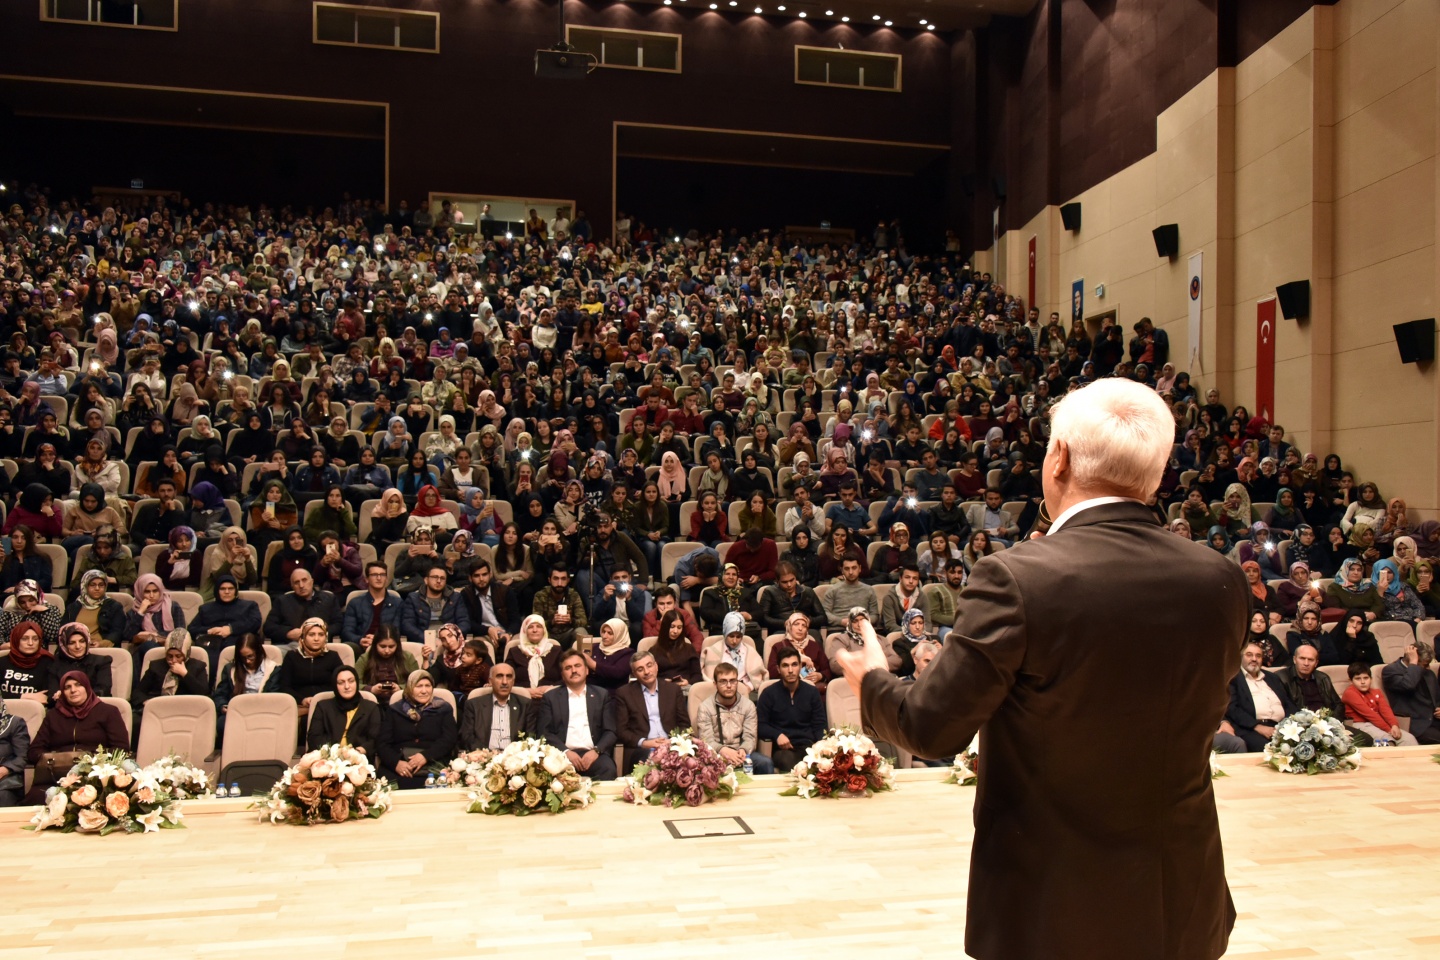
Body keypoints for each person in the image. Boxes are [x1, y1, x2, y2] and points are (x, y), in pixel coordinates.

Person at [832, 379, 1245, 959]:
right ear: (1155, 475)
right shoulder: (1220, 580)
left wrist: (872, 678)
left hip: (1052, 905)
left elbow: (930, 728)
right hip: (1180, 894)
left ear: (1059, 459)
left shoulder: (1017, 578)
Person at [23, 671, 128, 803]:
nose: (73, 690)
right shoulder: (53, 715)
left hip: (94, 775)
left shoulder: (108, 712)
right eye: (67, 687)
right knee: (36, 797)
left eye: (78, 685)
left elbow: (121, 749)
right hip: (56, 775)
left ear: (87, 687)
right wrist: (54, 758)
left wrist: (90, 758)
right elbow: (34, 751)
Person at [535, 649, 619, 780]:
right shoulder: (550, 697)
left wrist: (596, 751)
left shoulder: (601, 695)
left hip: (593, 753)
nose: (574, 670)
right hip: (561, 755)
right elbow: (544, 732)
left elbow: (611, 731)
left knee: (608, 770)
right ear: (562, 675)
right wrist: (565, 752)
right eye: (568, 668)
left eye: (578, 666)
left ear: (586, 670)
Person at [613, 649, 690, 773]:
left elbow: (685, 725)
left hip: (671, 744)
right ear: (634, 674)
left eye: (649, 666)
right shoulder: (624, 693)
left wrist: (672, 741)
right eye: (640, 669)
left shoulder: (673, 690)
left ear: (656, 666)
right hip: (642, 749)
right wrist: (645, 743)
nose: (646, 672)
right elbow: (622, 731)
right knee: (650, 762)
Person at [378, 669, 458, 789]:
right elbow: (382, 743)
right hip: (400, 764)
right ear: (410, 688)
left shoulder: (443, 708)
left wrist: (425, 756)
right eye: (419, 686)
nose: (424, 691)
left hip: (433, 761)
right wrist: (396, 763)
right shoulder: (395, 710)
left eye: (428, 686)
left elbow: (449, 739)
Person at [1276, 643, 1368, 744]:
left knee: (1366, 740)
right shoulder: (1281, 678)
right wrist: (1308, 725)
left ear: (1316, 663)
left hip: (1327, 726)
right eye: (1302, 658)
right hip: (1300, 728)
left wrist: (1331, 723)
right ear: (1294, 659)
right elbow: (1284, 709)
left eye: (1311, 660)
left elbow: (1338, 704)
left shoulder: (1322, 678)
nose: (1306, 663)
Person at [756, 645, 826, 773]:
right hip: (783, 750)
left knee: (824, 763)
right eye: (785, 666)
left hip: (808, 747)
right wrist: (776, 735)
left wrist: (821, 746)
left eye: (794, 665)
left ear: (800, 666)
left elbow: (819, 725)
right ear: (778, 669)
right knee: (787, 760)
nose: (790, 670)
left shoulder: (812, 692)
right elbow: (760, 724)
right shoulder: (769, 693)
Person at [695, 661, 774, 774]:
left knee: (765, 763)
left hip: (742, 753)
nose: (728, 685)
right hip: (716, 754)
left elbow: (750, 737)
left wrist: (743, 750)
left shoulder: (748, 705)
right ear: (715, 684)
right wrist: (723, 750)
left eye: (732, 681)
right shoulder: (705, 707)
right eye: (723, 681)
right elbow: (706, 740)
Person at [1224, 640, 1299, 752]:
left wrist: (1289, 725)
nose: (1254, 659)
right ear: (1240, 657)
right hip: (1251, 728)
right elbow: (1232, 709)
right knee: (1270, 749)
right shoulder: (1233, 678)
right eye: (1249, 655)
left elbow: (1287, 703)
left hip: (1281, 727)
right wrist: (1258, 727)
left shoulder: (1272, 677)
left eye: (1258, 656)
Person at [306, 665, 383, 757]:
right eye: (341, 682)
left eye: (351, 681)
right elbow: (314, 738)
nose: (347, 686)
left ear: (357, 683)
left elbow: (375, 739)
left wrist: (358, 752)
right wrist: (334, 755)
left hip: (359, 760)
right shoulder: (323, 707)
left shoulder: (371, 707)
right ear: (335, 685)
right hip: (326, 759)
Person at [213, 635, 281, 736]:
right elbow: (220, 694)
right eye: (243, 658)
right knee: (222, 724)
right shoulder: (230, 669)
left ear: (258, 652)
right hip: (236, 712)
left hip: (262, 712)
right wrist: (223, 707)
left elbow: (274, 697)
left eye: (250, 656)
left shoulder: (273, 669)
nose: (247, 661)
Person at [279, 618, 344, 723]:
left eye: (321, 635)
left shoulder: (333, 656)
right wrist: (302, 700)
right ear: (303, 636)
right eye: (311, 634)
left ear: (326, 636)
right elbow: (284, 687)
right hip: (299, 705)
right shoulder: (291, 656)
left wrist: (323, 698)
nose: (316, 639)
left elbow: (340, 683)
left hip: (328, 704)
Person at [1341, 662, 1416, 746]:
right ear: (1351, 681)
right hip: (1360, 725)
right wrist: (1388, 729)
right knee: (1387, 740)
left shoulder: (1376, 692)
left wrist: (1394, 725)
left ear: (1371, 679)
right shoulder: (1350, 693)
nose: (1362, 682)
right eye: (1358, 679)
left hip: (1379, 724)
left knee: (1409, 739)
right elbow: (1369, 714)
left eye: (1366, 678)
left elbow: (1386, 710)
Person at [458, 661, 527, 752]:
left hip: (515, 759)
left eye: (509, 677)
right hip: (483, 757)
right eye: (499, 676)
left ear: (513, 681)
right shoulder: (474, 704)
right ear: (490, 681)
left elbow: (530, 737)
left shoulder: (525, 704)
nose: (505, 682)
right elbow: (466, 736)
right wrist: (485, 754)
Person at [1380, 641, 1440, 745]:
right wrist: (1413, 663)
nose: (1426, 668)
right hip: (1416, 723)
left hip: (1434, 719)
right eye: (1424, 664)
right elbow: (1408, 685)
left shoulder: (1428, 673)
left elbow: (1437, 697)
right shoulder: (1390, 671)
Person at [398, 564, 471, 645]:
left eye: (442, 578)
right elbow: (407, 625)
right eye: (435, 577)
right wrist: (428, 640)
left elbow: (464, 623)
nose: (439, 581)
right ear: (426, 580)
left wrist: (450, 637)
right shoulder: (413, 598)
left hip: (450, 641)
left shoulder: (455, 597)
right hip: (423, 641)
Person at [136, 629, 210, 707]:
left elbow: (204, 694)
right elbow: (138, 692)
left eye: (178, 656)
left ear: (186, 654)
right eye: (170, 656)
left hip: (187, 708)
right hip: (159, 708)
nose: (173, 660)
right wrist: (146, 702)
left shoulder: (198, 666)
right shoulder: (156, 666)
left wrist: (184, 674)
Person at [340, 563, 404, 651]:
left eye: (382, 575)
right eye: (374, 575)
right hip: (362, 645)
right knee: (349, 647)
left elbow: (397, 630)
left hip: (387, 645)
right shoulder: (355, 603)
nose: (379, 578)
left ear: (386, 578)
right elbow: (347, 631)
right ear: (366, 579)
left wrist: (379, 639)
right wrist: (360, 640)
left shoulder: (397, 602)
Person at [701, 612, 767, 694]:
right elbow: (708, 677)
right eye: (731, 636)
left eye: (738, 636)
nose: (735, 641)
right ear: (725, 633)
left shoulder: (750, 651)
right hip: (718, 693)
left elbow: (758, 676)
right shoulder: (713, 651)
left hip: (747, 693)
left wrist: (749, 687)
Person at [507, 613, 563, 701]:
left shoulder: (556, 651)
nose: (535, 630)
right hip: (521, 699)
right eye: (530, 627)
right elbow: (507, 679)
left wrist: (550, 689)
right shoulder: (514, 652)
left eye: (539, 626)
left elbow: (565, 677)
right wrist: (525, 691)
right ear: (524, 630)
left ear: (544, 630)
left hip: (552, 698)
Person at [758, 562, 824, 636]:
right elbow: (762, 618)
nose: (789, 585)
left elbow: (822, 617)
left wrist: (808, 621)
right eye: (784, 582)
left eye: (792, 580)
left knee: (815, 636)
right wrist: (784, 623)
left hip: (805, 629)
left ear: (796, 578)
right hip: (781, 630)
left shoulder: (807, 591)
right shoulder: (770, 592)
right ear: (777, 581)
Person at [47, 623, 111, 698]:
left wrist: (75, 698)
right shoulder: (55, 664)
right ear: (64, 644)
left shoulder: (101, 662)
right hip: (64, 707)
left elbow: (103, 690)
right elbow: (52, 695)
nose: (78, 646)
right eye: (72, 643)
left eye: (82, 641)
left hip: (94, 706)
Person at [530, 565, 588, 650]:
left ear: (568, 580)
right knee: (537, 633)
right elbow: (535, 623)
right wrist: (552, 622)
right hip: (548, 635)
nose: (559, 583)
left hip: (568, 634)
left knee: (581, 631)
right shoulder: (540, 595)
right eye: (556, 579)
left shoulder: (573, 595)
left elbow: (583, 621)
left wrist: (571, 620)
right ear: (549, 580)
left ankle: (582, 661)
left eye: (563, 579)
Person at [354, 626, 419, 700]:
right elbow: (354, 683)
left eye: (391, 647)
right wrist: (371, 689)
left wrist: (401, 688)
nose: (387, 651)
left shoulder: (408, 657)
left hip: (402, 700)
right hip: (372, 700)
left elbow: (417, 681)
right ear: (375, 644)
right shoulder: (365, 658)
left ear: (397, 645)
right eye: (382, 646)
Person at [640, 587, 706, 651]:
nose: (665, 607)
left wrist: (692, 654)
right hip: (659, 652)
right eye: (661, 604)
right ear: (656, 604)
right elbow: (648, 641)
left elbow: (697, 636)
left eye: (669, 603)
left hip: (680, 651)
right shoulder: (649, 616)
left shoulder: (684, 614)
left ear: (674, 604)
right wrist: (662, 621)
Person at [0, 620, 52, 701]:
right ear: (16, 640)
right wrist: (24, 696)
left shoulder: (48, 662)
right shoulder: (2, 662)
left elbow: (48, 696)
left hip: (34, 711)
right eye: (24, 639)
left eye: (35, 639)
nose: (30, 643)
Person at [820, 556, 879, 627]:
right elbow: (825, 613)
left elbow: (874, 615)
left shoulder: (869, 590)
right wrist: (842, 621)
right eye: (847, 569)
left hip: (863, 629)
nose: (851, 572)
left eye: (854, 568)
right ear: (842, 570)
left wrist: (861, 621)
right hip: (838, 630)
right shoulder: (833, 590)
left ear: (859, 568)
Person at [0, 697, 30, 807]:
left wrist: (4, 770)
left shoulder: (15, 722)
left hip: (5, 779)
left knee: (3, 796)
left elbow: (23, 757)